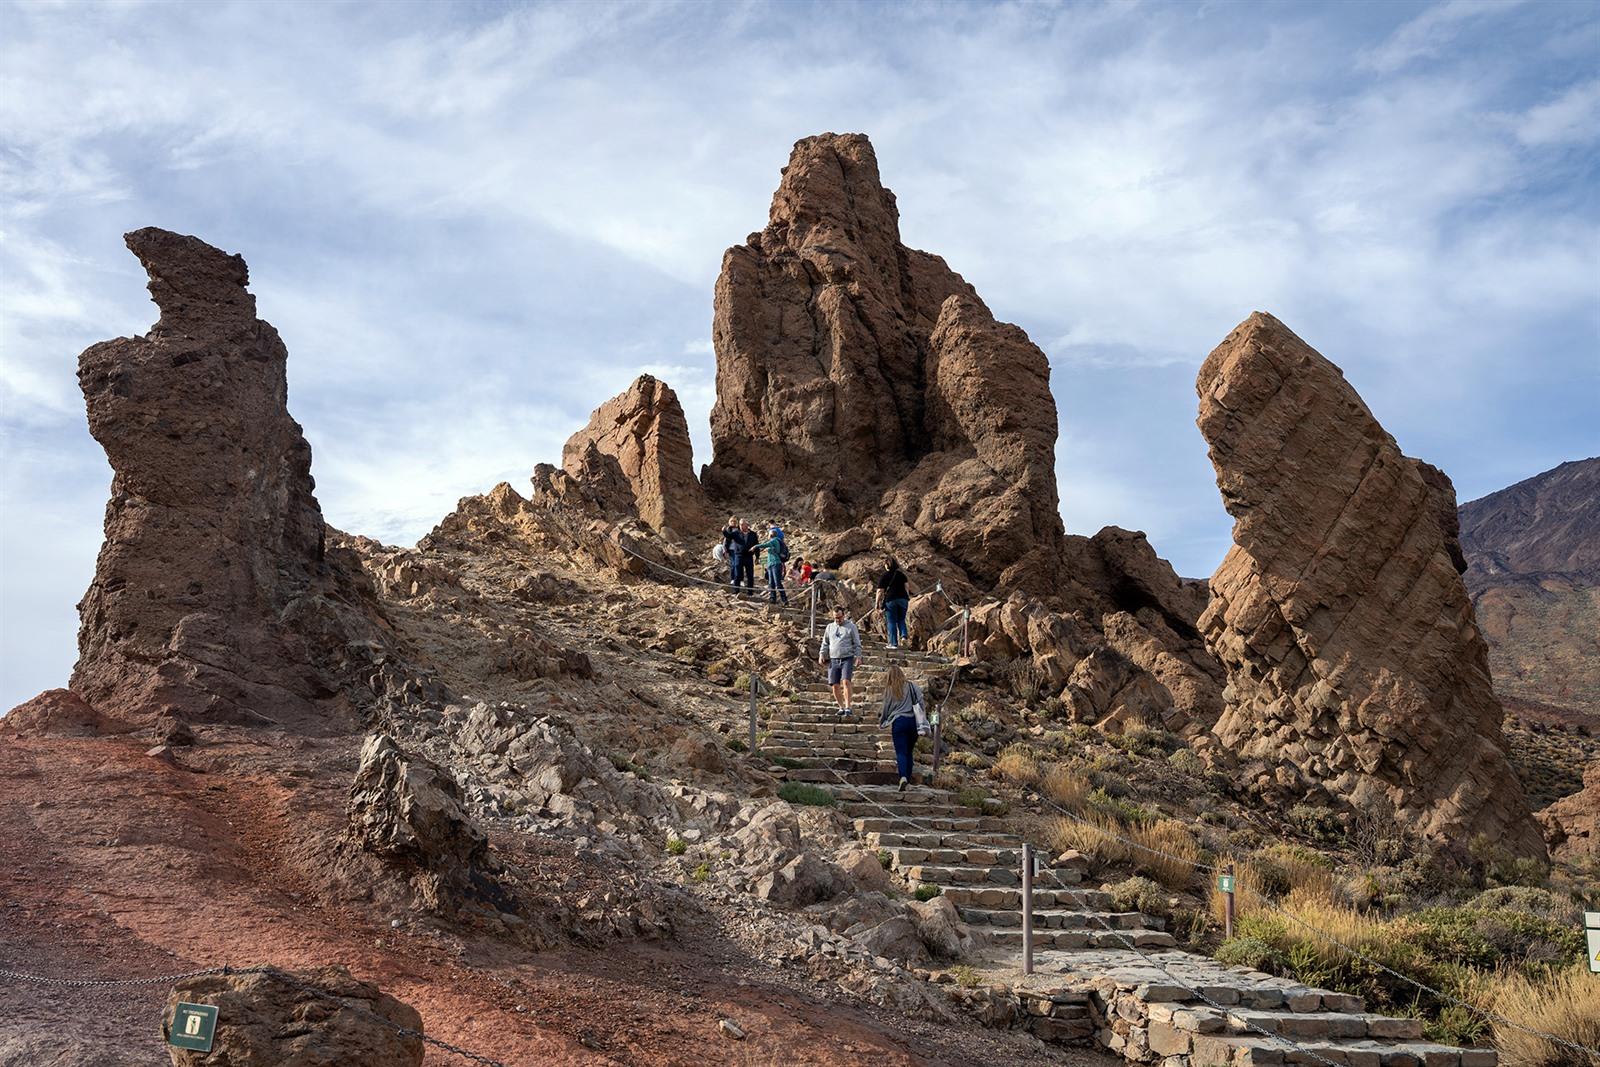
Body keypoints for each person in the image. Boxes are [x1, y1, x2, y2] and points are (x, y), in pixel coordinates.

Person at [878, 664, 928, 791]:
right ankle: (908, 780)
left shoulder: (889, 690)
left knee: (901, 752)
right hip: (913, 722)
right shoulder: (912, 686)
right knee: (909, 752)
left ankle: (903, 777)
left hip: (898, 722)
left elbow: (885, 708)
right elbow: (921, 702)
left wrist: (883, 721)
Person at [817, 604, 862, 717]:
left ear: (844, 615)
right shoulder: (829, 627)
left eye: (839, 617)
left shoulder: (851, 627)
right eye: (835, 618)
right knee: (834, 685)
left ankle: (848, 707)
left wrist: (858, 656)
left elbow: (857, 643)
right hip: (833, 659)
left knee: (846, 681)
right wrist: (822, 654)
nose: (837, 620)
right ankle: (841, 707)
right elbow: (825, 642)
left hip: (847, 657)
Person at [875, 557, 911, 650]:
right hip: (903, 600)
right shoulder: (902, 575)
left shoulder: (885, 576)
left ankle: (893, 643)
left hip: (891, 600)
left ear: (887, 565)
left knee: (891, 622)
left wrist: (877, 604)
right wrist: (906, 597)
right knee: (901, 619)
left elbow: (880, 591)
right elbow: (907, 587)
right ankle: (904, 636)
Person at [753, 522, 789, 605]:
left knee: (777, 583)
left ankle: (784, 600)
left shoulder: (775, 540)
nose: (767, 536)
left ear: (771, 535)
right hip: (770, 564)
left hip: (776, 563)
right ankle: (773, 599)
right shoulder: (773, 541)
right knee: (771, 583)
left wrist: (755, 546)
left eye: (768, 534)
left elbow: (765, 544)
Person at [731, 519, 759, 594]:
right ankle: (736, 591)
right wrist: (726, 529)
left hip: (749, 556)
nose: (741, 526)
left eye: (742, 524)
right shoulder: (736, 533)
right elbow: (728, 535)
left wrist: (757, 557)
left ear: (747, 525)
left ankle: (750, 591)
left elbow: (756, 545)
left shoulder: (753, 534)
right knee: (737, 574)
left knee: (750, 575)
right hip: (739, 556)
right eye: (740, 524)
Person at [720, 516, 742, 588]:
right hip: (731, 549)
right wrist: (725, 551)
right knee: (733, 564)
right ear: (729, 522)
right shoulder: (728, 530)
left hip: (739, 549)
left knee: (739, 565)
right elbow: (725, 541)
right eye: (731, 521)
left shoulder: (740, 529)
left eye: (734, 521)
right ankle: (733, 579)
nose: (733, 523)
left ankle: (740, 579)